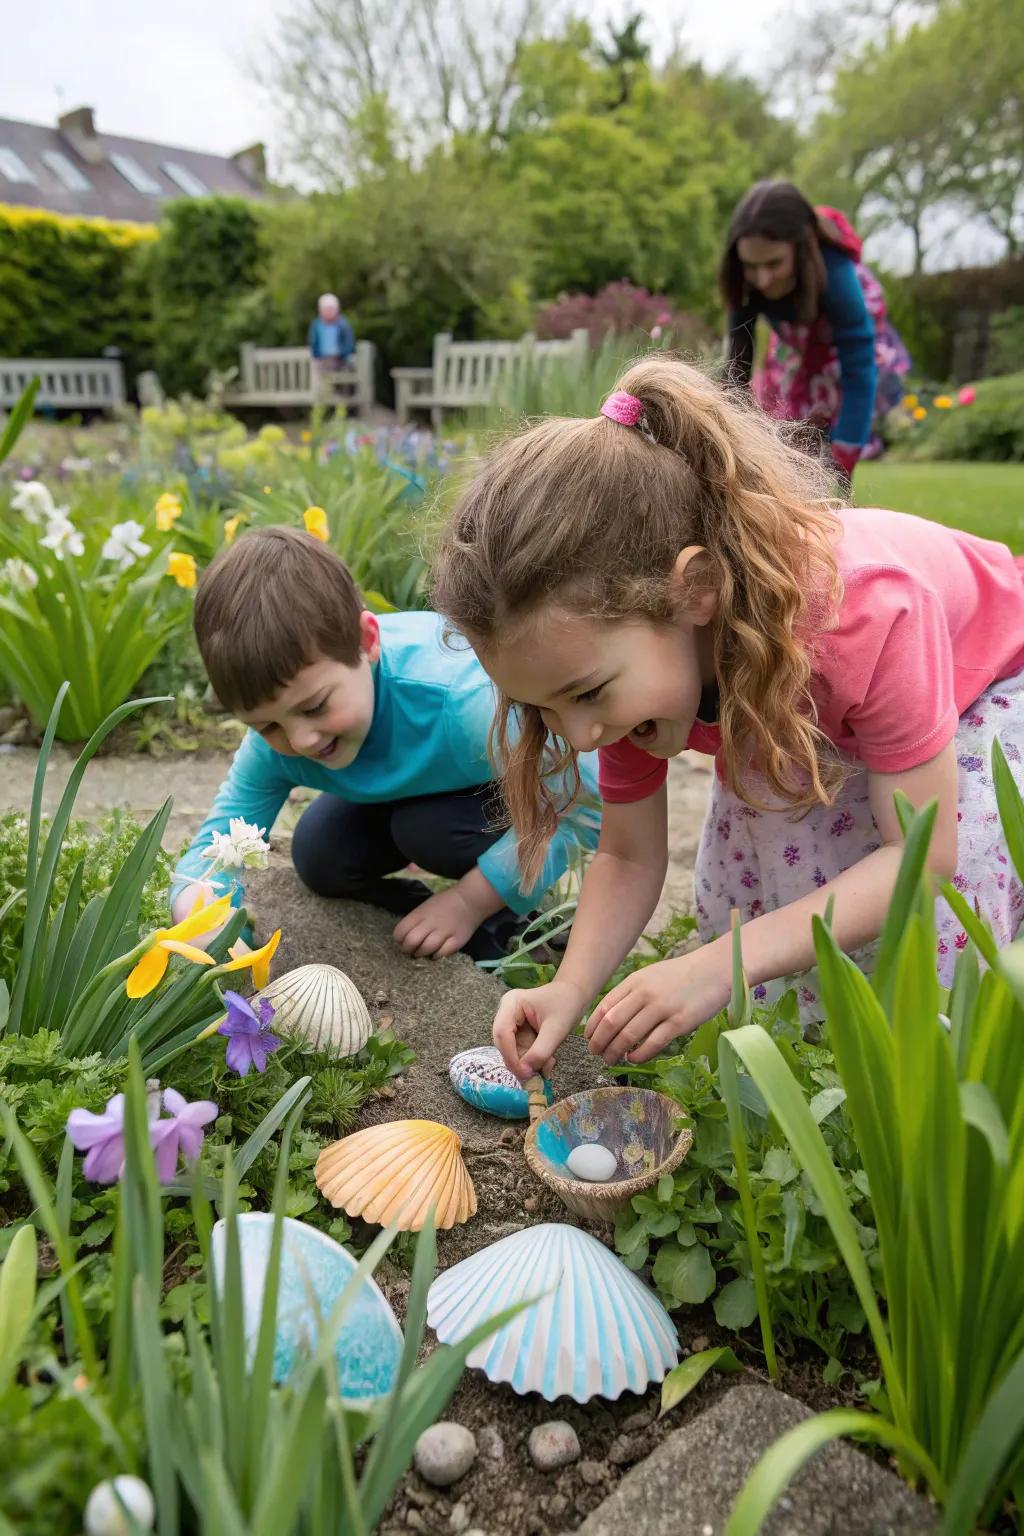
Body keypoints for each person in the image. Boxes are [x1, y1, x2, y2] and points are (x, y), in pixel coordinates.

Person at [431, 356, 1024, 1080]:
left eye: (585, 696)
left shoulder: (863, 613)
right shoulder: (620, 673)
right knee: (770, 815)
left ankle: (932, 1060)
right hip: (801, 690)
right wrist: (569, 987)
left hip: (986, 681)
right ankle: (805, 1040)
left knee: (952, 850)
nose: (581, 734)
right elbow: (628, 855)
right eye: (543, 708)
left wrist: (722, 965)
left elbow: (924, 856)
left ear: (696, 591)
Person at [171, 527, 600, 963]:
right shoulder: (281, 735)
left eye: (316, 706)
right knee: (320, 852)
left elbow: (585, 801)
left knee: (428, 833)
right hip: (417, 790)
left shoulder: (465, 701)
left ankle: (508, 921)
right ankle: (423, 916)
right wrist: (197, 911)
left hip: (509, 795)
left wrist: (469, 901)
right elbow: (219, 840)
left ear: (367, 642)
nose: (300, 739)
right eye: (265, 725)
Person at [721, 181, 910, 484]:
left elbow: (859, 368)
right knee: (785, 427)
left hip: (846, 347)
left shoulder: (835, 272)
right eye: (751, 266)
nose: (763, 279)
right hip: (796, 344)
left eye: (773, 263)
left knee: (831, 445)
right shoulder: (746, 280)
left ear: (801, 248)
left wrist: (842, 464)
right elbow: (737, 366)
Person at [308, 293, 355, 399]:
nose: (328, 312)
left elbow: (349, 345)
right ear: (320, 311)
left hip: (341, 360)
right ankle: (326, 398)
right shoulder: (317, 325)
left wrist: (339, 354)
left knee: (346, 371)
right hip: (323, 361)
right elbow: (314, 344)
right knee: (322, 369)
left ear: (336, 310)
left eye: (331, 309)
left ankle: (342, 399)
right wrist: (318, 357)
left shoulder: (343, 324)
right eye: (326, 309)